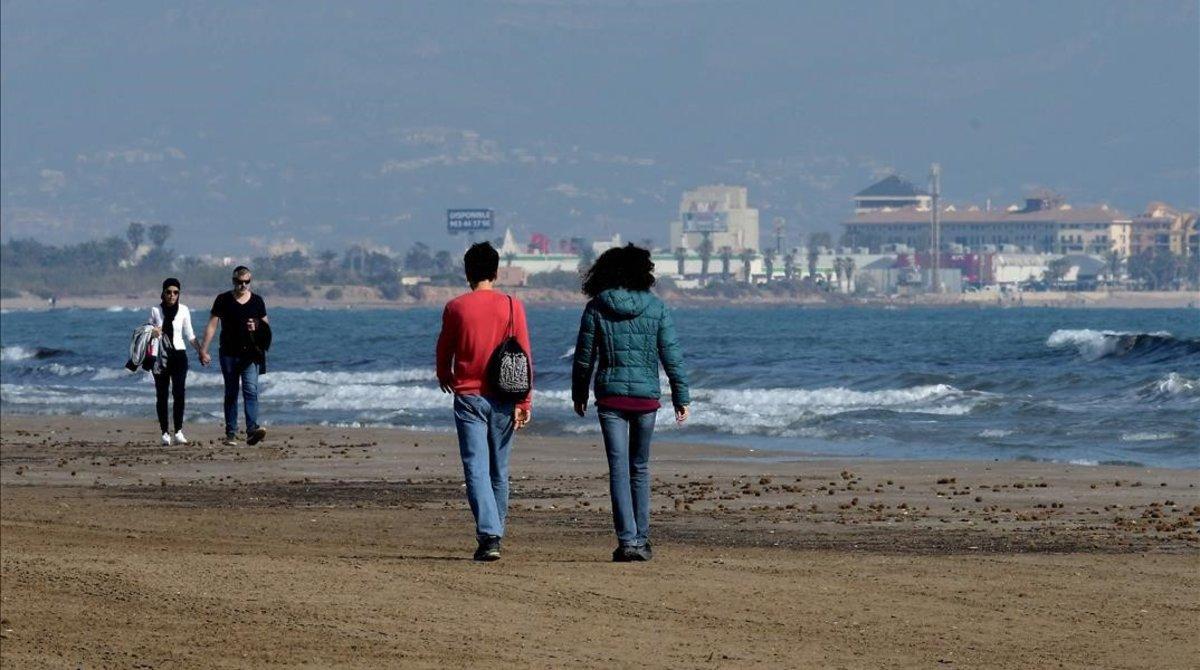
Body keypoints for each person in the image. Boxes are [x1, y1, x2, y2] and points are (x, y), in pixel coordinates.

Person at [572, 244, 690, 562]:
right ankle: (641, 539)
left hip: (610, 397)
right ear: (644, 271)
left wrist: (578, 393)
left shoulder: (597, 306)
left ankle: (627, 541)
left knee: (618, 469)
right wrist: (681, 395)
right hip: (646, 398)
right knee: (640, 468)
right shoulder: (656, 307)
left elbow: (585, 358)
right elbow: (672, 355)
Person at [436, 242, 533, 561]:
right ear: (495, 271)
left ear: (467, 272)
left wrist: (444, 374)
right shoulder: (511, 305)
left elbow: (444, 348)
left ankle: (490, 535)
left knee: (476, 467)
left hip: (468, 395)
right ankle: (494, 534)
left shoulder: (456, 307)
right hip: (505, 395)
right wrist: (526, 400)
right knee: (498, 469)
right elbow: (524, 355)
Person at [199, 266, 269, 447]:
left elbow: (266, 328)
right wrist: (203, 349)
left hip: (251, 355)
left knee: (251, 391)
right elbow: (212, 326)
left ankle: (252, 431)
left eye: (246, 282)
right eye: (239, 282)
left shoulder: (257, 301)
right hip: (229, 353)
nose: (243, 285)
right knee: (231, 392)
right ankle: (231, 433)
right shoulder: (223, 300)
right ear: (233, 281)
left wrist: (258, 328)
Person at [148, 278, 201, 445]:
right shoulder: (156, 310)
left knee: (179, 393)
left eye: (175, 292)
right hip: (160, 357)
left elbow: (190, 335)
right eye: (169, 292)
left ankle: (178, 431)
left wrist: (201, 352)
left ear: (179, 294)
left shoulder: (184, 310)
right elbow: (148, 332)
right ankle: (164, 432)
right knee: (161, 395)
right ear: (163, 293)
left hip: (179, 355)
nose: (172, 295)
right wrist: (153, 332)